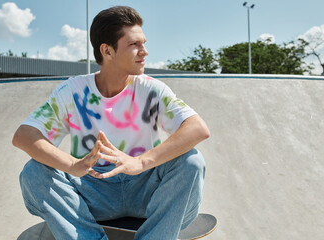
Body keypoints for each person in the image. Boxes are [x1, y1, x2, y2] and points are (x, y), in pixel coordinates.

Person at [12, 6, 210, 240]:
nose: (144, 51)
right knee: (33, 171)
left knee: (192, 160)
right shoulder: (73, 91)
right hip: (93, 194)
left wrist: (141, 161)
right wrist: (73, 164)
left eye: (143, 43)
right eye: (134, 44)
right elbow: (24, 135)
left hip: (148, 194)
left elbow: (197, 128)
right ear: (107, 50)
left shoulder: (151, 89)